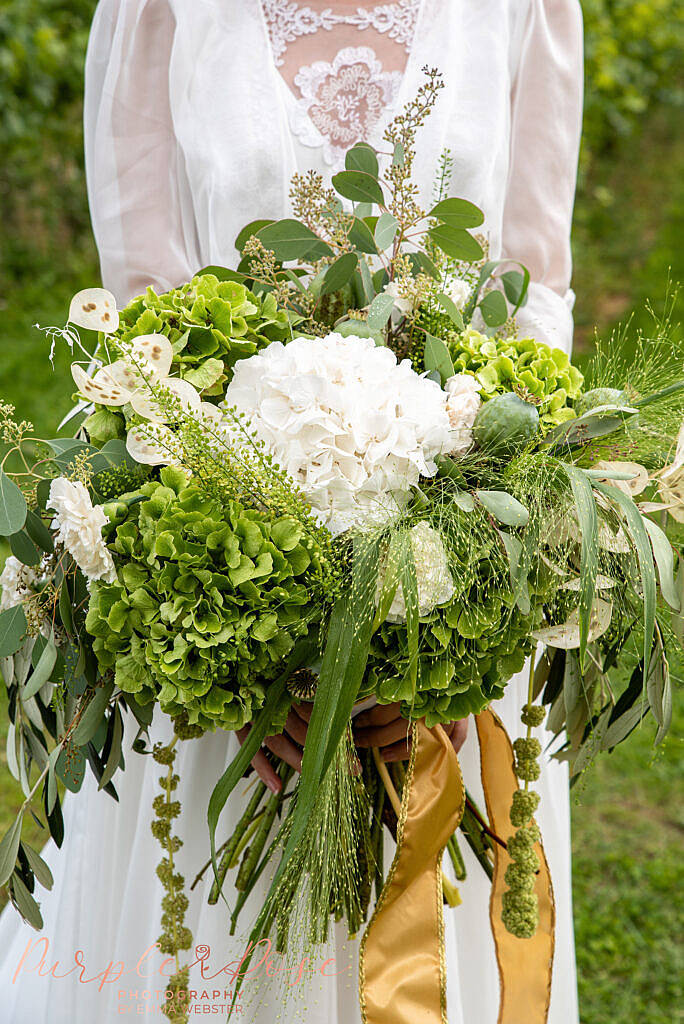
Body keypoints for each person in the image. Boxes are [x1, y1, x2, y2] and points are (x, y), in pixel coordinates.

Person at [0, 2, 582, 1021]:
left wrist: (457, 629)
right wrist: (248, 668)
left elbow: (534, 300)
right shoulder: (158, 11)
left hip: (454, 586)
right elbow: (146, 325)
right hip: (233, 605)